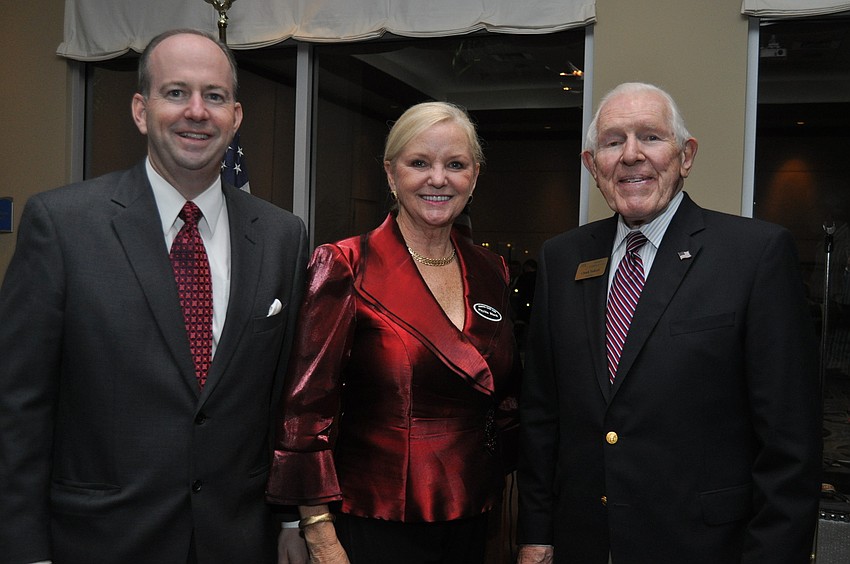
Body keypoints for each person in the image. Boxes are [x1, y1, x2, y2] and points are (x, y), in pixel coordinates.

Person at [0, 29, 308, 564]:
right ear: (141, 110)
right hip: (99, 541)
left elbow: (285, 396)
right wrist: (24, 550)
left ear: (235, 117)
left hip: (237, 541)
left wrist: (288, 517)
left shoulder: (284, 236)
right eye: (175, 93)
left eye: (214, 96)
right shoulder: (62, 225)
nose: (197, 112)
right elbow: (18, 407)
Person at [516, 82, 821, 564]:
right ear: (593, 166)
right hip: (584, 543)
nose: (632, 155)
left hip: (705, 547)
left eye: (651, 137)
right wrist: (536, 534)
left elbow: (790, 445)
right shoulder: (562, 258)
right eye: (613, 142)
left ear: (686, 156)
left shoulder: (754, 255)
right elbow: (541, 415)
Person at [266, 101, 521, 564]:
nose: (438, 179)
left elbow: (505, 398)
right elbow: (306, 412)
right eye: (419, 163)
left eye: (456, 165)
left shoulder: (493, 271)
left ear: (475, 177)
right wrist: (319, 535)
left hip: (474, 517)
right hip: (375, 519)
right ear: (390, 173)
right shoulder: (345, 264)